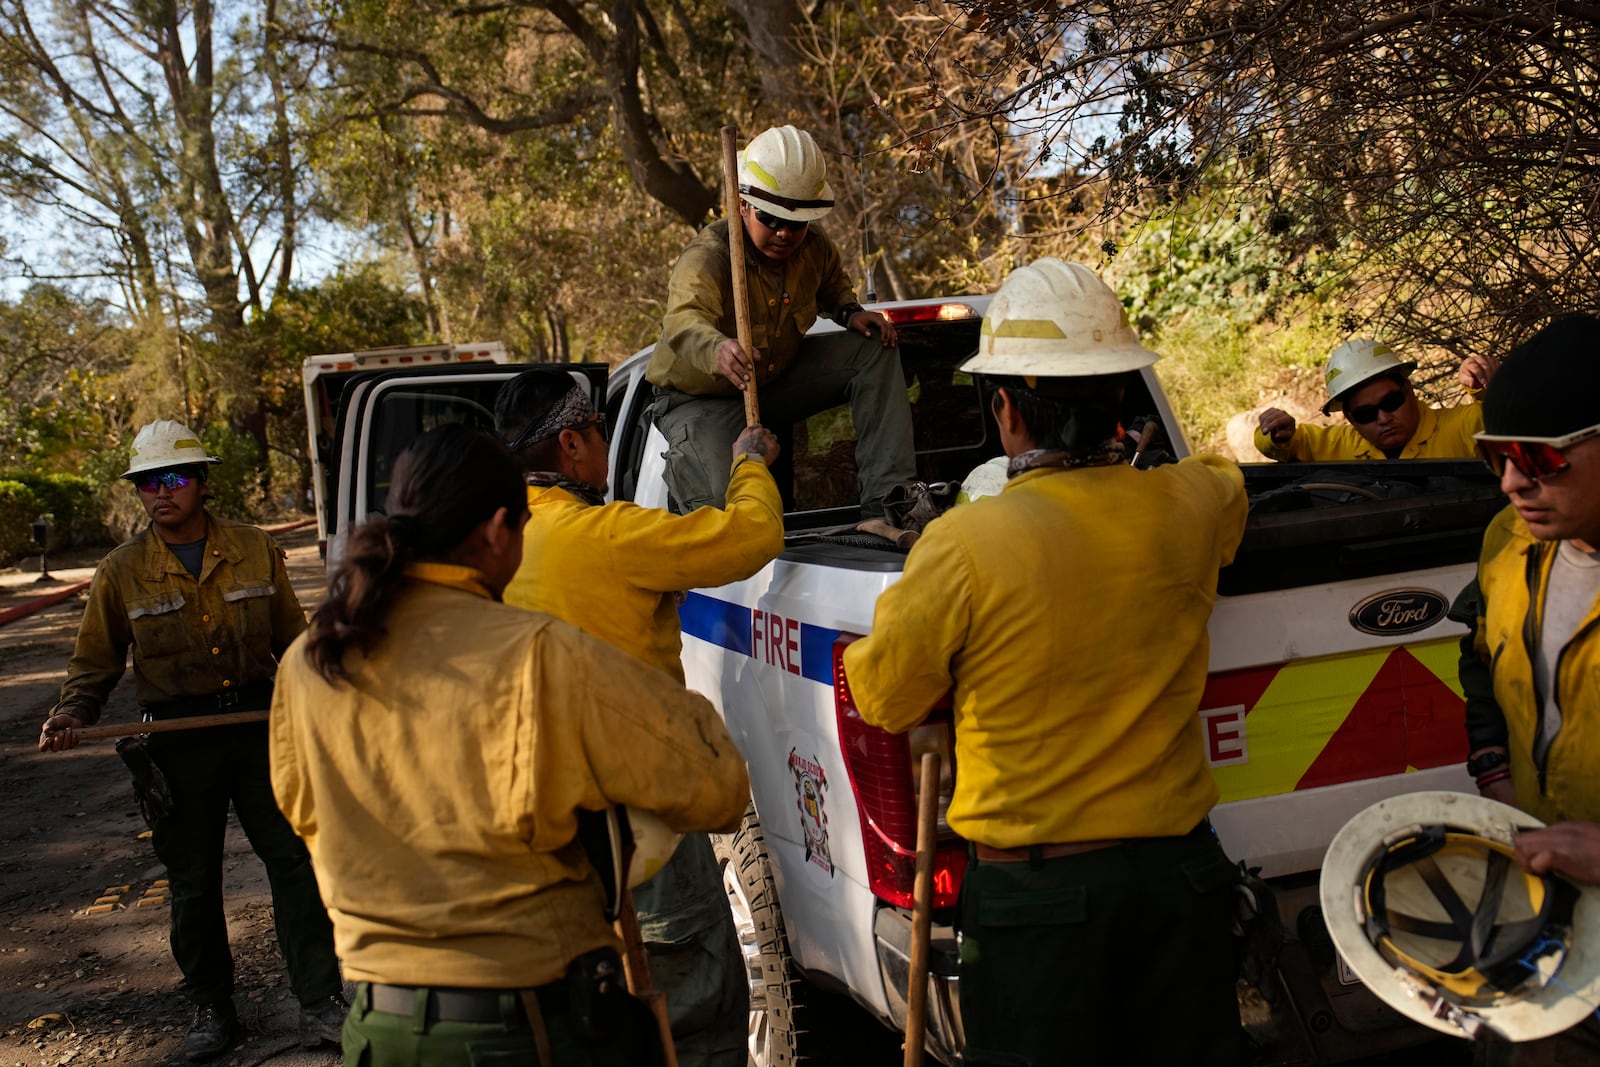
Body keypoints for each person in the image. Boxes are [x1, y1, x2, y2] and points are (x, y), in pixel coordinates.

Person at [840, 259, 1248, 1066]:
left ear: (1004, 413)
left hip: (1038, 908)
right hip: (1181, 885)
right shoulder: (1191, 508)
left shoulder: (966, 543)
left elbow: (885, 694)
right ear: (1123, 402)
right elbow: (1226, 477)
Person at [268, 424, 752, 1066]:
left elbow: (301, 810)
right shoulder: (540, 656)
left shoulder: (308, 661)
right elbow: (717, 786)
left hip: (378, 1032)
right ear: (498, 531)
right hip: (525, 1031)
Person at [492, 371, 783, 1067]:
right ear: (570, 443)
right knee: (692, 1000)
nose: (599, 442)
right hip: (640, 817)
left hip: (541, 819)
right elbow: (753, 535)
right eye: (594, 429)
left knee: (594, 1006)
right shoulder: (610, 536)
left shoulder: (492, 542)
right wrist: (748, 464)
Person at [36, 419, 343, 1062]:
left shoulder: (256, 549)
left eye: (173, 478)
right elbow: (94, 664)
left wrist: (337, 685)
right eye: (147, 482)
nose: (160, 492)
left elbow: (294, 640)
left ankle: (320, 1001)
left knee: (292, 863)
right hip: (176, 741)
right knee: (193, 882)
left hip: (260, 728)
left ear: (202, 482)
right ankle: (213, 1009)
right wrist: (73, 712)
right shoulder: (120, 571)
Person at [1454, 313, 1600, 1063]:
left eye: (1538, 457)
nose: (1514, 482)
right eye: (1496, 458)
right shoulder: (1508, 544)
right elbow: (1480, 660)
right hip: (1547, 932)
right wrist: (1496, 770)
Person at [648, 124, 914, 518]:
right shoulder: (709, 255)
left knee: (873, 349)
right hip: (702, 397)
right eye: (771, 218)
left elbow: (832, 287)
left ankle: (887, 507)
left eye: (798, 222)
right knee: (725, 516)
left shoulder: (815, 248)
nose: (785, 232)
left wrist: (850, 313)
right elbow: (683, 321)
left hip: (774, 382)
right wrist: (719, 349)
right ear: (743, 205)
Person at [1255, 338, 1493, 460]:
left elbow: (1511, 417)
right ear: (1349, 417)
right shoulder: (1341, 446)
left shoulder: (1462, 426)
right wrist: (1274, 431)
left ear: (1408, 391)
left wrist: (1489, 388)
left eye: (1391, 402)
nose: (1383, 418)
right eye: (1365, 414)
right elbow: (1289, 445)